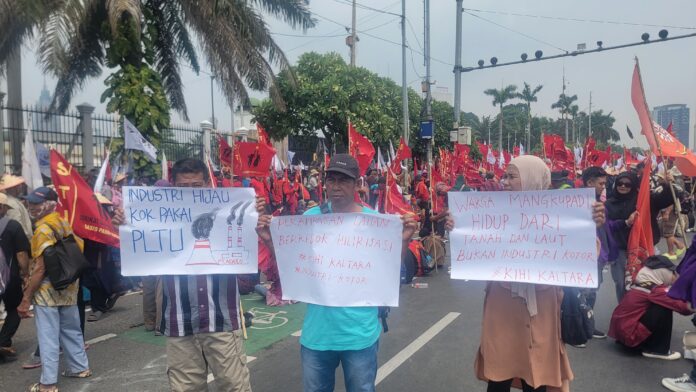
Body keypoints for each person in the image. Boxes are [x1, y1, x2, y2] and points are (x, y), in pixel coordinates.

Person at [256, 154, 417, 392]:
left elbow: (388, 274)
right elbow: (293, 269)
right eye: (331, 180)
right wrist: (270, 241)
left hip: (360, 334)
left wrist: (403, 241)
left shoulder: (375, 223)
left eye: (343, 180)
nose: (336, 187)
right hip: (317, 336)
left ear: (356, 184)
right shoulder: (310, 219)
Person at [463, 155, 605, 392]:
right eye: (504, 176)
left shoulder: (560, 213)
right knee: (498, 374)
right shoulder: (492, 212)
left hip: (542, 307)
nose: (504, 182)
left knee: (536, 373)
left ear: (533, 179)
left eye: (511, 176)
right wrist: (457, 226)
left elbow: (584, 256)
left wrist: (591, 226)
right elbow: (472, 242)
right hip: (502, 306)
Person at [112, 158, 252, 392]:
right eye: (183, 188)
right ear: (173, 187)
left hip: (221, 319)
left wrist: (256, 220)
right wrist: (126, 225)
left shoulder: (227, 214)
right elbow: (140, 252)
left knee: (235, 387)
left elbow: (248, 248)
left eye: (196, 186)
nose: (189, 193)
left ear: (208, 185)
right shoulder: (159, 217)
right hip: (179, 322)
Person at [18, 187, 91, 392]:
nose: (31, 207)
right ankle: (79, 368)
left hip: (48, 291)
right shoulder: (62, 221)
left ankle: (47, 384)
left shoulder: (42, 229)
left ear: (49, 205)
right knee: (71, 330)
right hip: (68, 286)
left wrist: (26, 298)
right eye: (30, 202)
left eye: (36, 203)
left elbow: (40, 268)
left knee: (48, 336)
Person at [605, 170, 674, 301]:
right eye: (620, 183)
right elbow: (606, 225)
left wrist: (667, 185)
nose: (623, 186)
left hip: (641, 248)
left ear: (634, 185)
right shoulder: (609, 203)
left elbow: (664, 200)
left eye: (627, 184)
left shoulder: (644, 200)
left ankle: (639, 309)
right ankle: (624, 307)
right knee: (620, 282)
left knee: (640, 281)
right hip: (619, 248)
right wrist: (626, 222)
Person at [608, 255, 693, 360]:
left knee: (661, 304)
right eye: (672, 273)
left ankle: (645, 344)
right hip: (630, 337)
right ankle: (658, 350)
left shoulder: (642, 282)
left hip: (623, 334)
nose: (674, 277)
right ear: (662, 272)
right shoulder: (655, 290)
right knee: (664, 307)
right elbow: (684, 308)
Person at [0, 192, 31, 363]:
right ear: (3, 208)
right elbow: (21, 254)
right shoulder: (13, 226)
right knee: (15, 308)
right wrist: (25, 274)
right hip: (9, 278)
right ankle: (3, 341)